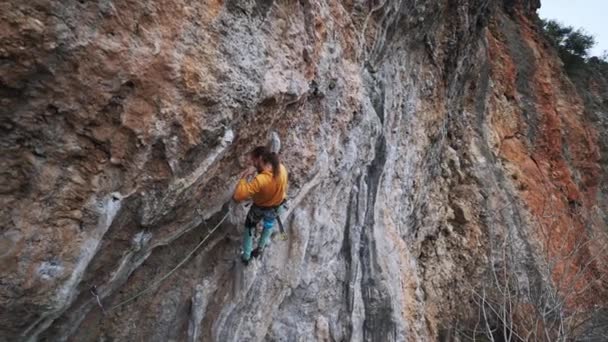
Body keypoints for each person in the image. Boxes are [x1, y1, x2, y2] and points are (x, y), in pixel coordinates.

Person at [233, 146, 288, 265]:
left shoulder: (261, 179)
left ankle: (246, 256)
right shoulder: (281, 169)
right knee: (268, 225)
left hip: (260, 208)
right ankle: (260, 248)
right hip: (277, 206)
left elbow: (238, 195)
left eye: (254, 160)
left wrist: (244, 177)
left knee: (249, 227)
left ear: (260, 159)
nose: (253, 163)